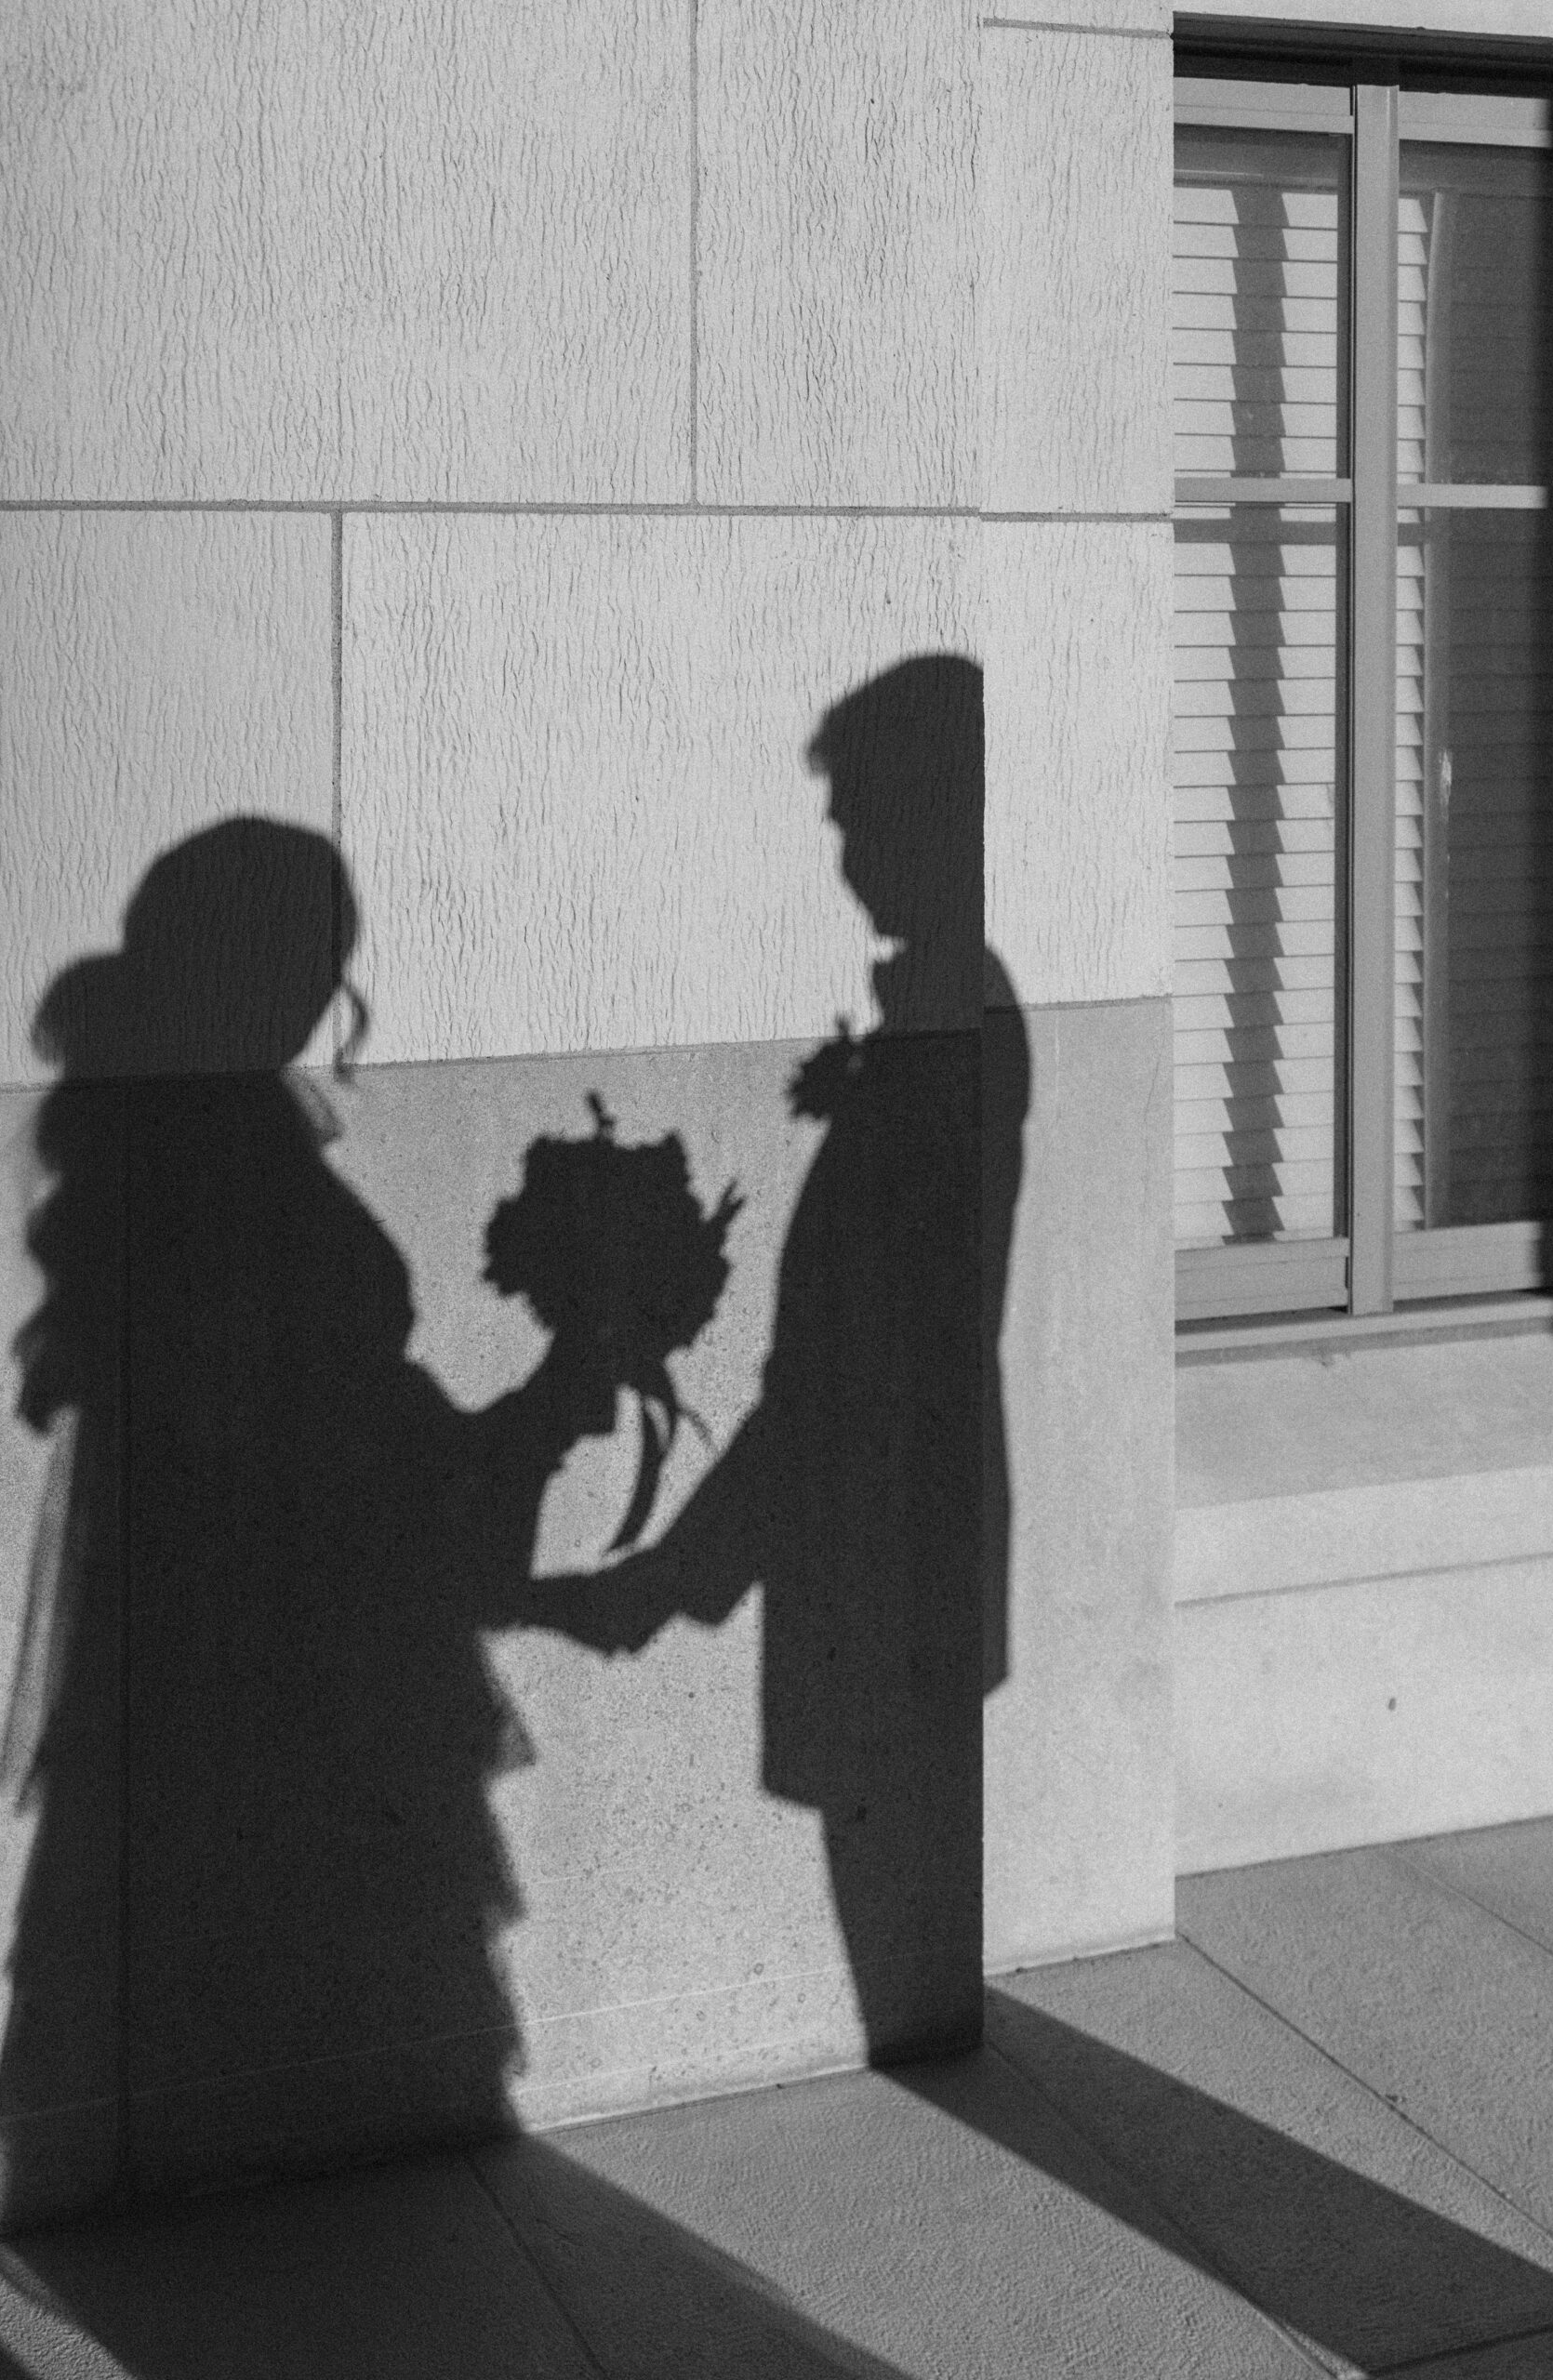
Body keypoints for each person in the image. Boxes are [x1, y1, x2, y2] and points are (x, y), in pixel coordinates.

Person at [0, 819, 737, 2226]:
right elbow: (355, 1477)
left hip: (234, 1658)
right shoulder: (243, 1169)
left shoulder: (167, 1147)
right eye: (319, 952)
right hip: (308, 1667)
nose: (331, 985)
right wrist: (552, 1394)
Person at [551, 654, 1027, 2062]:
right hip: (870, 1530)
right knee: (891, 1925)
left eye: (860, 817)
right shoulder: (922, 1024)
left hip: (886, 1532)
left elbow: (859, 1358)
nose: (843, 854)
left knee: (899, 1944)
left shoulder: (955, 1026)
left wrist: (673, 1572)